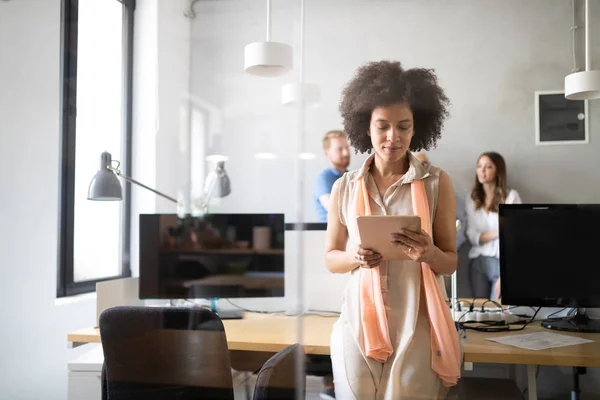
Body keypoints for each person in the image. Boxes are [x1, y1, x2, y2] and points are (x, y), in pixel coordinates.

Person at [325, 60, 460, 399]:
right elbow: (331, 257)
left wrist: (428, 253)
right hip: (356, 325)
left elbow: (450, 262)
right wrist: (355, 256)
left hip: (418, 325)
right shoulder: (345, 187)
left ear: (417, 129)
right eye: (382, 126)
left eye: (403, 126)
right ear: (366, 127)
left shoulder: (436, 183)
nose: (392, 137)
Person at [465, 152, 521, 300]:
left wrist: (506, 274)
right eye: (479, 166)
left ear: (498, 171)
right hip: (478, 262)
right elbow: (472, 236)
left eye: (488, 167)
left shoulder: (511, 197)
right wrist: (501, 231)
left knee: (498, 311)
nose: (482, 171)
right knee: (478, 309)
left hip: (501, 262)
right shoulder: (472, 198)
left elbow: (515, 236)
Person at [414, 152, 467, 251]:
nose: (422, 168)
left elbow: (460, 224)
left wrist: (448, 250)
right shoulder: (407, 197)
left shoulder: (446, 192)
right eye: (417, 165)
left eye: (425, 164)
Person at [313, 130, 351, 222]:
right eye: (339, 149)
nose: (346, 153)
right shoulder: (323, 179)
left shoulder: (352, 177)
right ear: (327, 152)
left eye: (347, 148)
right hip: (327, 234)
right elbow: (336, 212)